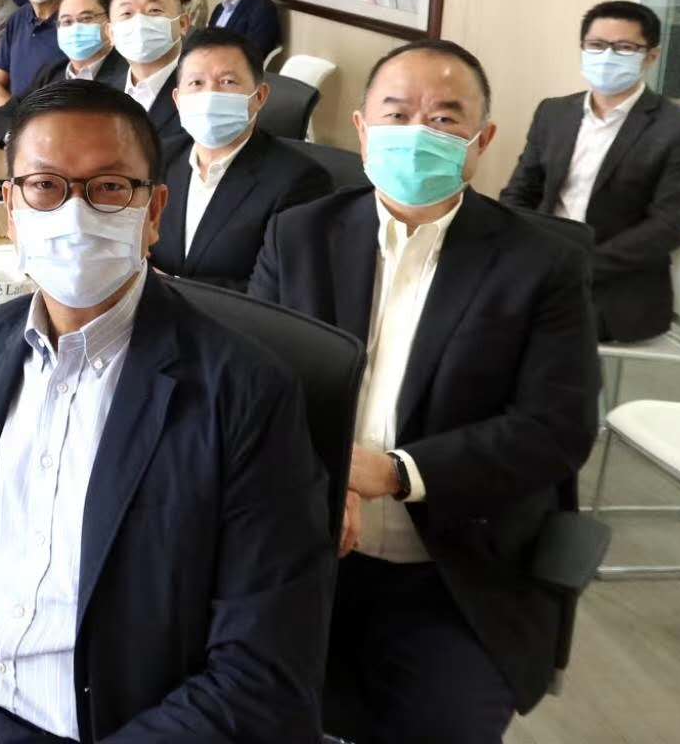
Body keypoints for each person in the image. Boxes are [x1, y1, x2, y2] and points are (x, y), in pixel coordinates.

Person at [0, 80, 331, 744]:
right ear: (12, 208)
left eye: (109, 188)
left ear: (154, 212)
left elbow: (262, 676)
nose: (75, 214)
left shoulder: (245, 394)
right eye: (46, 186)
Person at [251, 39, 600, 742]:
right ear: (362, 129)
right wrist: (325, 478)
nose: (418, 133)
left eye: (444, 118)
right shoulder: (300, 236)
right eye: (397, 113)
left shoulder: (541, 264)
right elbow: (256, 387)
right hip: (305, 556)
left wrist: (392, 473)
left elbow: (555, 427)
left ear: (481, 142)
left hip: (456, 576)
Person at [501, 0, 680, 341]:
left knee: (540, 335)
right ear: (583, 48)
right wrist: (519, 250)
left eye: (624, 47)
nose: (607, 56)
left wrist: (576, 266)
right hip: (540, 265)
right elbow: (520, 192)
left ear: (651, 57)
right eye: (596, 45)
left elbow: (668, 226)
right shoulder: (553, 112)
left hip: (616, 287)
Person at [150, 28, 330, 289]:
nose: (210, 95)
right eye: (196, 83)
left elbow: (276, 291)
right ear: (177, 100)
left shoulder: (300, 181)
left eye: (228, 82)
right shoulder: (157, 157)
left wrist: (171, 286)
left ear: (259, 97)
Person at [0, 0, 126, 146]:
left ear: (109, 25)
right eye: (67, 22)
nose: (75, 28)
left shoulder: (128, 78)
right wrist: (20, 139)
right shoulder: (54, 71)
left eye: (86, 19)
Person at [107, 0, 190, 151]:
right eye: (127, 13)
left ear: (183, 24)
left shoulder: (202, 91)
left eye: (154, 11)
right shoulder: (102, 94)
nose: (140, 22)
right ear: (111, 33)